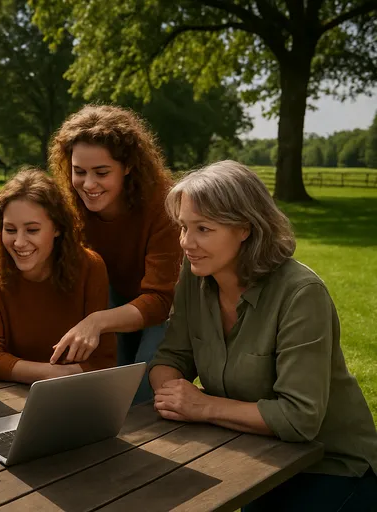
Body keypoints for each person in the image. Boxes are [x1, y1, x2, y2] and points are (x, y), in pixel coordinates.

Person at [150, 160, 377, 511]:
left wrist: (202, 406)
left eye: (204, 229)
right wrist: (171, 393)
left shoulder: (301, 294)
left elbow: (299, 419)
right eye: (183, 227)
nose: (187, 243)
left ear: (245, 228)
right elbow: (171, 357)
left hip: (331, 468)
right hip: (249, 456)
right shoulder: (195, 275)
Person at [48, 104, 182, 402]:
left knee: (138, 395)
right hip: (111, 301)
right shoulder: (70, 206)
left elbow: (161, 300)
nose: (88, 184)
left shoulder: (164, 206)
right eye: (79, 172)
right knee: (106, 392)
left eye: (102, 172)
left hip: (169, 309)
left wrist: (96, 322)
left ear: (129, 166)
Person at [0, 168, 116, 384]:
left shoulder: (90, 268)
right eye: (10, 230)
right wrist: (52, 374)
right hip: (7, 389)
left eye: (32, 230)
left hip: (75, 389)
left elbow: (104, 360)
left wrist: (61, 380)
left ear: (57, 228)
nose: (19, 242)